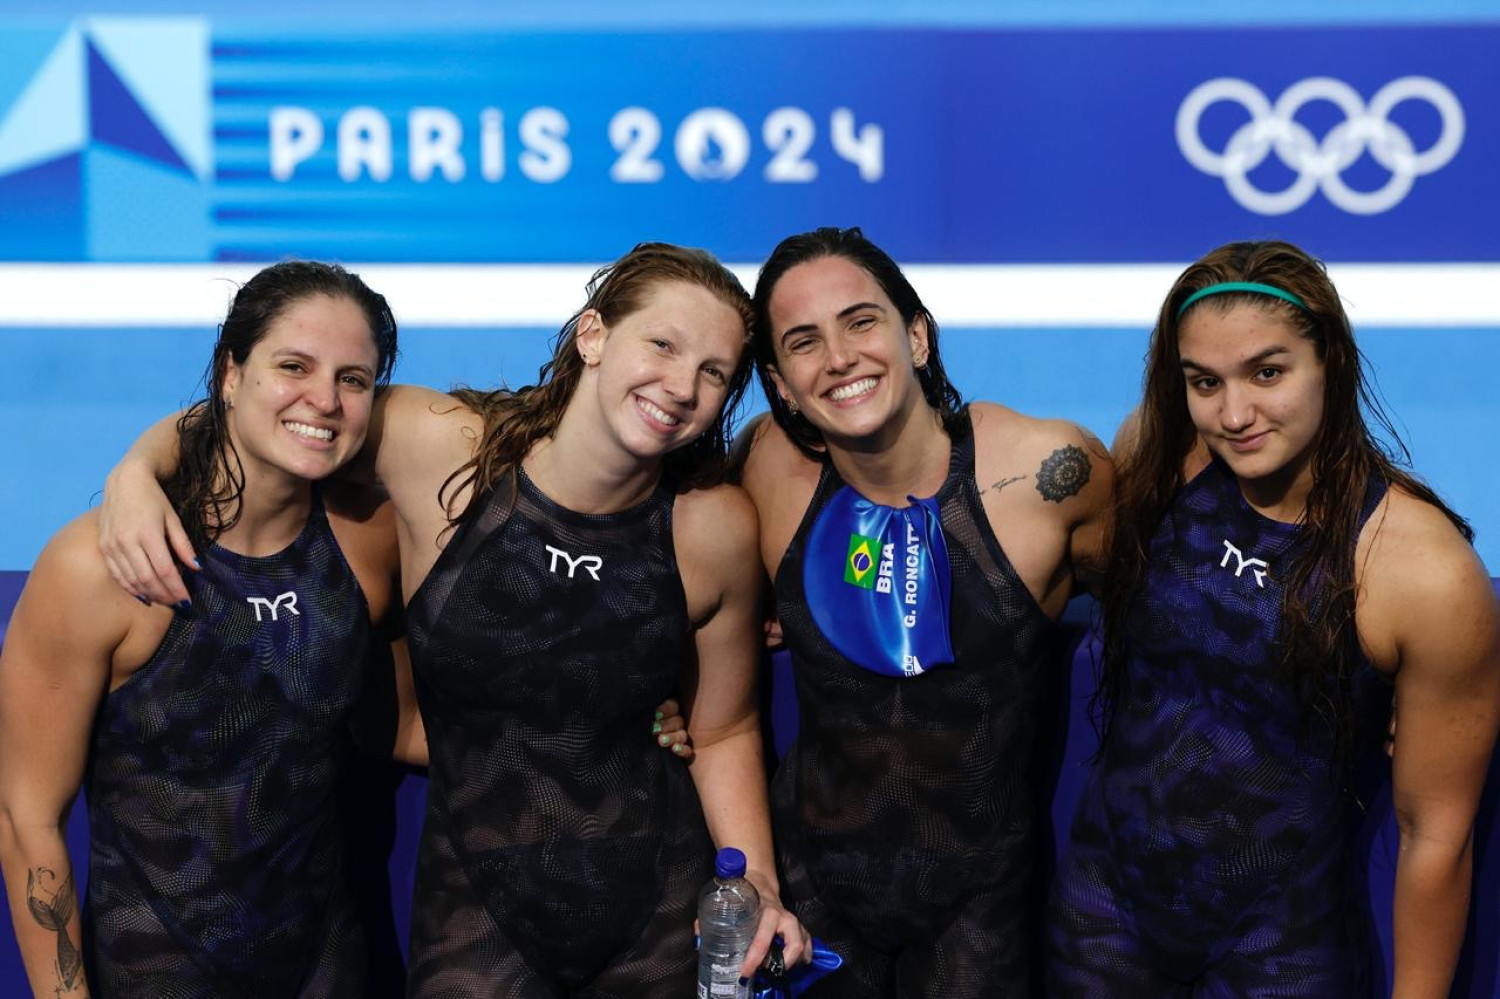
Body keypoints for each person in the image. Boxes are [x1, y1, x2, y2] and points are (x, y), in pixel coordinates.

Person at [96, 242, 807, 997]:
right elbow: (277, 413)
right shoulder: (437, 447)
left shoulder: (713, 528)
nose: (680, 385)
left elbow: (724, 726)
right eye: (662, 344)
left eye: (713, 372)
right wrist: (138, 467)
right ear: (594, 335)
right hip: (474, 914)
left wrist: (757, 876)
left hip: (657, 918)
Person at [1045, 240, 1500, 996]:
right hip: (1101, 926)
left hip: (1277, 956)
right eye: (1203, 381)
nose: (1234, 413)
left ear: (1330, 361)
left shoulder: (1420, 570)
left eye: (1268, 372)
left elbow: (1436, 836)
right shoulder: (1159, 461)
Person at [0, 261, 406, 997]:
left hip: (330, 973)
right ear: (230, 370)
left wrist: (641, 724)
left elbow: (412, 721)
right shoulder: (94, 568)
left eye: (353, 378)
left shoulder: (371, 542)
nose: (325, 397)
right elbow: (26, 817)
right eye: (293, 365)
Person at [737, 227, 1113, 996]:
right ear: (779, 383)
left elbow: (1171, 600)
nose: (839, 358)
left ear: (917, 333)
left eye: (861, 321)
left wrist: (1402, 692)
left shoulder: (1049, 475)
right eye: (804, 341)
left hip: (978, 912)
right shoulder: (765, 469)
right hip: (813, 899)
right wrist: (662, 700)